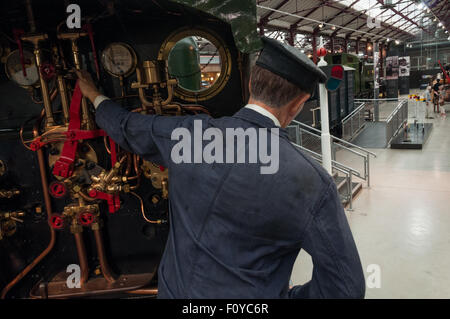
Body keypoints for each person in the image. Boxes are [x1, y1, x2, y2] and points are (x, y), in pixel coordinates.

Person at [75, 37, 365, 299]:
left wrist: (93, 95)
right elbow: (345, 288)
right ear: (299, 104)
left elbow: (127, 127)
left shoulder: (188, 136)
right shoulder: (311, 183)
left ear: (252, 82)